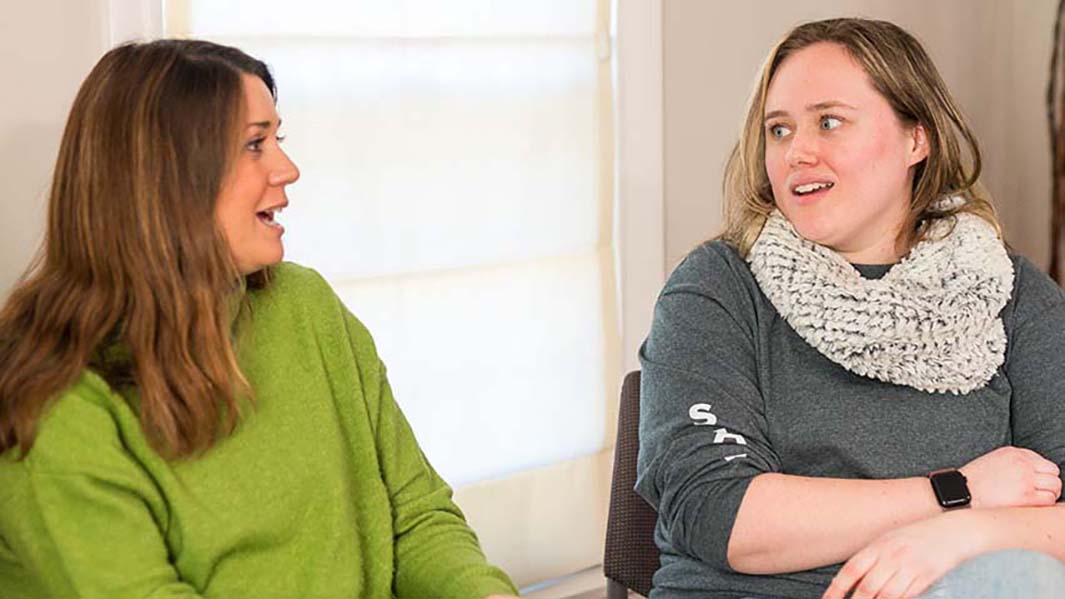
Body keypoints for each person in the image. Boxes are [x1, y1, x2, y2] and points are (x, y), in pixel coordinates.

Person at [0, 39, 518, 599]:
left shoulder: (306, 309)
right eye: (254, 144)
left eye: (278, 139)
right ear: (166, 177)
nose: (287, 169)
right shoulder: (56, 400)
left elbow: (414, 517)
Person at [636, 17, 1065, 599]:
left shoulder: (1012, 295)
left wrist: (958, 536)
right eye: (779, 130)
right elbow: (717, 510)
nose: (797, 153)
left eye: (829, 122)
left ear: (917, 138)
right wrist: (952, 493)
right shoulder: (716, 288)